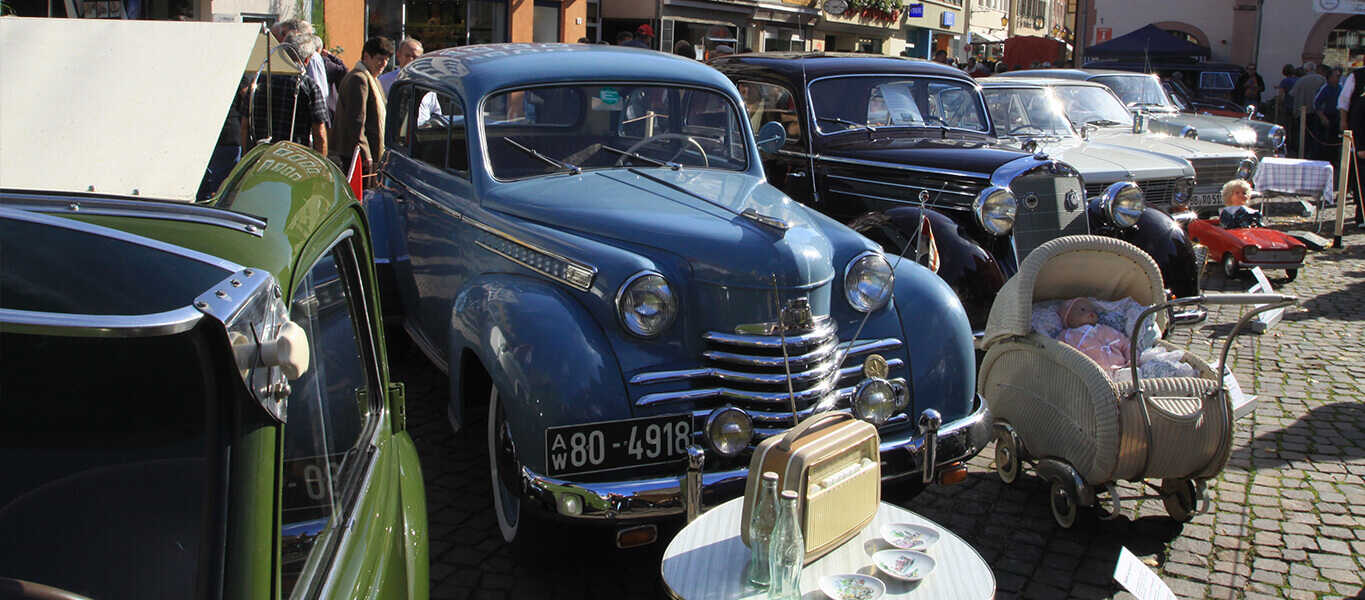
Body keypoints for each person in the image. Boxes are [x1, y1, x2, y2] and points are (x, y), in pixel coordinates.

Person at [245, 32, 328, 155]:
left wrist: (245, 155)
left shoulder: (260, 79)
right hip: (292, 158)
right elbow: (319, 133)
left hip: (259, 155)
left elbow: (245, 122)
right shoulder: (309, 86)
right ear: (306, 59)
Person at [331, 36, 393, 182]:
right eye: (380, 59)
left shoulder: (372, 79)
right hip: (354, 156)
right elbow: (356, 121)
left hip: (363, 154)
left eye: (387, 60)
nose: (384, 64)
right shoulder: (359, 79)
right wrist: (365, 154)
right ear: (366, 57)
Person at [1054, 297, 1130, 378]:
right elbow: (1057, 351)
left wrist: (1131, 360)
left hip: (1117, 368)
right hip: (1091, 374)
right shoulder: (1067, 336)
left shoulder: (1106, 330)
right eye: (1083, 310)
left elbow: (1125, 343)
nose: (1090, 312)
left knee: (1133, 373)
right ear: (1070, 318)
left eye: (1093, 311)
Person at [272, 19, 330, 117]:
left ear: (296, 33)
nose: (280, 37)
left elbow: (319, 93)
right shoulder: (281, 55)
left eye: (283, 33)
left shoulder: (312, 57)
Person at [1337, 65, 1365, 227]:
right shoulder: (1357, 76)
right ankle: (1362, 215)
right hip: (1359, 134)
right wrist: (1344, 120)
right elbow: (1345, 101)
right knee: (1361, 177)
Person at [1291, 63, 1328, 157]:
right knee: (1316, 134)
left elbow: (1292, 93)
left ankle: (1303, 152)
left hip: (1302, 111)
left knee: (1303, 134)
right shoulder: (1322, 79)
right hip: (1317, 111)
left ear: (1305, 70)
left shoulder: (1301, 80)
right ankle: (1314, 154)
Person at [1314, 67, 1342, 162]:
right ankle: (1322, 158)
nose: (1339, 77)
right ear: (1330, 78)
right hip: (1326, 116)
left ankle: (1333, 159)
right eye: (1337, 75)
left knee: (1335, 139)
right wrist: (1322, 117)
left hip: (1337, 117)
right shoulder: (1325, 89)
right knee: (1323, 139)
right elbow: (1316, 103)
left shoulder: (1340, 88)